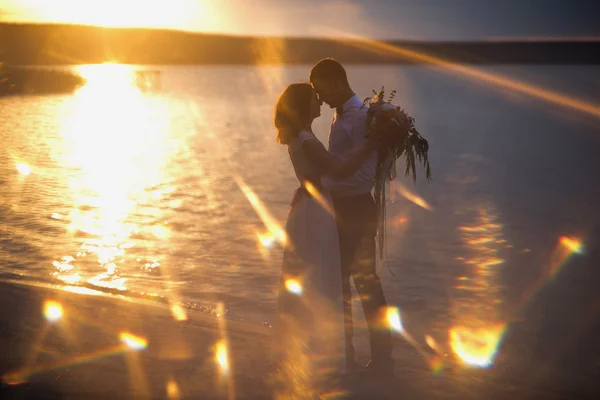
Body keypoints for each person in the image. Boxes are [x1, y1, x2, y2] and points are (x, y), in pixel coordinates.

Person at [270, 82, 380, 390]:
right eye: (314, 100)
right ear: (304, 106)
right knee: (322, 280)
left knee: (310, 280)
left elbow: (313, 175)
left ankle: (309, 352)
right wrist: (371, 145)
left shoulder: (298, 138)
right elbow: (340, 169)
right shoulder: (306, 140)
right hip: (315, 216)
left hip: (307, 210)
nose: (320, 104)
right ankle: (324, 358)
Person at [309, 58, 394, 376]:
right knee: (340, 284)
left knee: (366, 284)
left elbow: (363, 175)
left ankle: (384, 358)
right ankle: (347, 354)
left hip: (357, 208)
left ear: (335, 82)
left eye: (320, 90)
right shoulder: (338, 116)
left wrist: (325, 183)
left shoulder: (361, 117)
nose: (319, 98)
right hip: (340, 209)